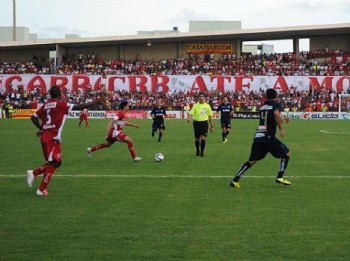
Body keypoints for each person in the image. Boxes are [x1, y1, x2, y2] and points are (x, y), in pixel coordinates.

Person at [26, 85, 99, 196]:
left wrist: (42, 128)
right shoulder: (60, 105)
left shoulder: (46, 105)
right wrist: (96, 101)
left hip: (51, 137)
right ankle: (41, 189)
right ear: (59, 94)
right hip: (51, 138)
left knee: (57, 162)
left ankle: (34, 173)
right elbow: (79, 107)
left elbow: (33, 117)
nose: (63, 94)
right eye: (62, 92)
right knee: (54, 162)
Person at [229, 88, 292, 188]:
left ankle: (235, 180)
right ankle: (280, 176)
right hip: (269, 137)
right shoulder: (276, 104)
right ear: (275, 95)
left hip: (259, 136)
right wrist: (281, 128)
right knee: (287, 153)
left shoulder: (263, 106)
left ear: (266, 96)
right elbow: (275, 114)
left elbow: (268, 119)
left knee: (252, 161)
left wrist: (283, 120)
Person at [187, 92, 214, 157]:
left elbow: (210, 116)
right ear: (198, 98)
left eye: (202, 96)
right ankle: (197, 150)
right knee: (197, 138)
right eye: (200, 96)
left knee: (203, 137)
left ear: (204, 98)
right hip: (196, 123)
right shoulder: (195, 105)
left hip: (204, 123)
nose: (201, 97)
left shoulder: (207, 106)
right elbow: (191, 113)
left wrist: (212, 125)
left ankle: (202, 152)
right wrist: (189, 118)